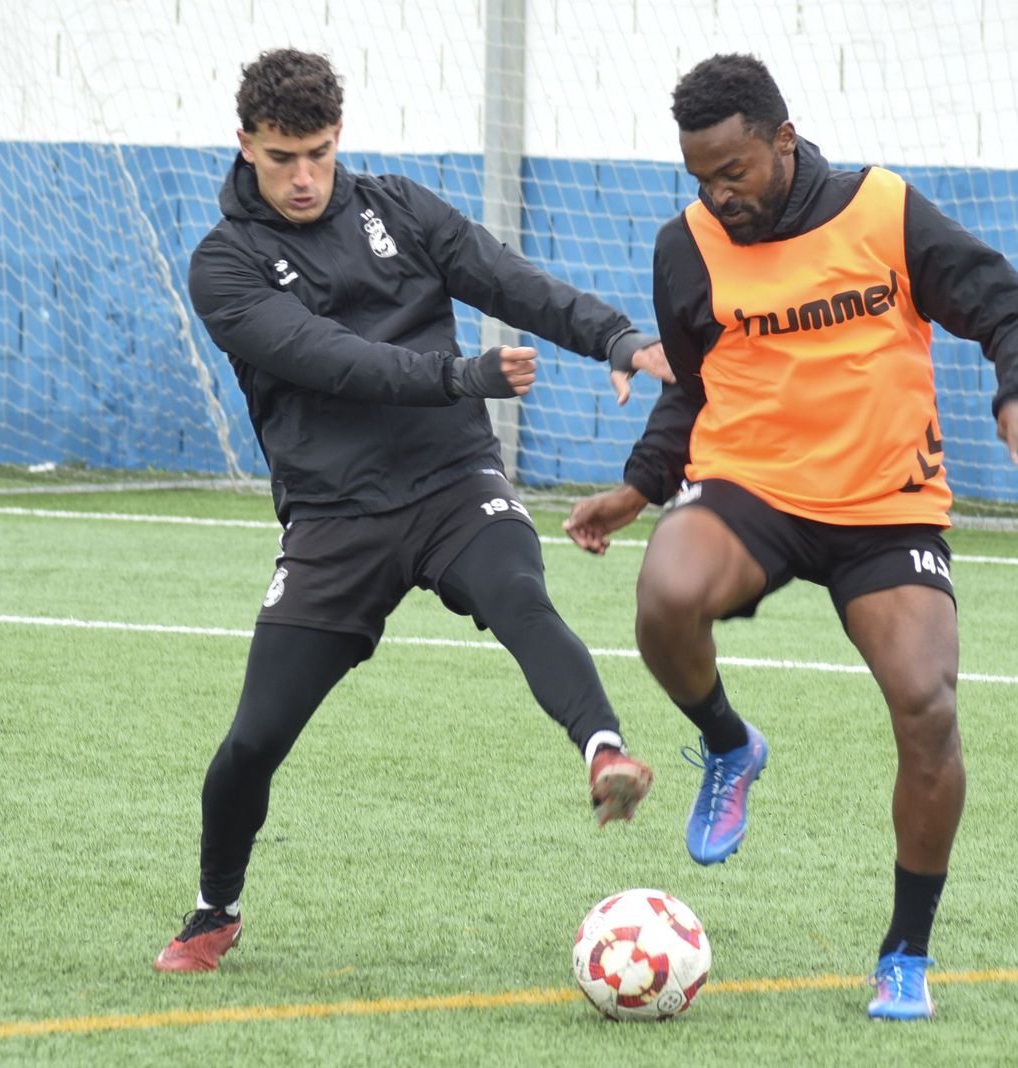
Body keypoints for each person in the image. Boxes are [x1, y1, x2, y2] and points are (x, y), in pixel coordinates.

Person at [155, 48, 673, 973]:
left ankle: (604, 753)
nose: (304, 176)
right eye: (281, 158)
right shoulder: (224, 266)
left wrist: (616, 336)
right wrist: (461, 375)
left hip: (450, 482)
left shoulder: (396, 207)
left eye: (317, 152)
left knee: (520, 595)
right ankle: (215, 908)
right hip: (334, 518)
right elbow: (327, 358)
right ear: (245, 147)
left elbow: (507, 279)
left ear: (338, 138)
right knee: (253, 740)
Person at [564, 53, 1018, 1021]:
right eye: (699, 177)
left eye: (733, 170)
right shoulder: (688, 245)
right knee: (664, 592)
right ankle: (727, 745)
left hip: (886, 504)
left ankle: (904, 954)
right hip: (751, 487)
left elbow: (1008, 307)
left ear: (781, 141)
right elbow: (693, 390)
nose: (718, 193)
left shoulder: (883, 211)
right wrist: (638, 489)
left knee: (926, 708)